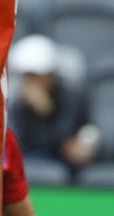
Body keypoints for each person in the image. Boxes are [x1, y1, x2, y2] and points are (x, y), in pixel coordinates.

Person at [7, 34, 97, 168]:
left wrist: (46, 111)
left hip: (67, 167)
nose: (30, 82)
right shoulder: (19, 103)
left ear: (50, 75)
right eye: (27, 76)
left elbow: (64, 140)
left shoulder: (71, 97)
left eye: (35, 76)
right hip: (30, 163)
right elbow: (21, 141)